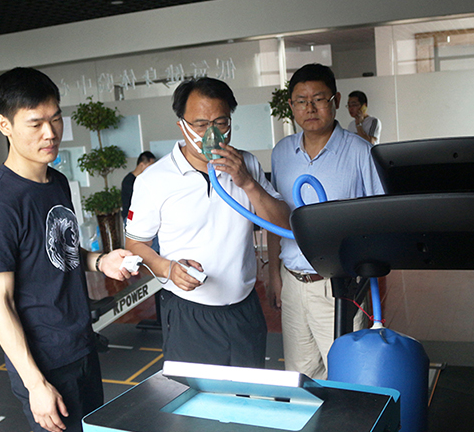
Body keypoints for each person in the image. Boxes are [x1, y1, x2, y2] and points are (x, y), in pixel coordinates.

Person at [0, 67, 136, 432]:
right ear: (5, 125)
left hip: (80, 345)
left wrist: (100, 261)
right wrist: (35, 383)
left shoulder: (57, 181)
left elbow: (59, 251)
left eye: (56, 118)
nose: (51, 132)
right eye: (35, 123)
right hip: (44, 363)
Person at [124, 77, 289, 367]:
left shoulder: (246, 164)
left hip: (244, 309)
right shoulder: (154, 180)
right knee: (197, 395)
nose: (212, 134)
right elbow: (135, 245)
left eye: (221, 122)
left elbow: (283, 223)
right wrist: (168, 269)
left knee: (248, 391)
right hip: (188, 313)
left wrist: (247, 182)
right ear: (182, 125)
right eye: (201, 125)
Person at [267, 64, 384, 380]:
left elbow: (380, 217)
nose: (310, 108)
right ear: (291, 106)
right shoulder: (282, 153)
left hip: (338, 285)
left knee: (347, 376)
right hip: (293, 282)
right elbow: (275, 216)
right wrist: (274, 275)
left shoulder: (360, 152)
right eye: (301, 101)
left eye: (319, 99)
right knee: (301, 377)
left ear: (336, 100)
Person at [120, 150, 156, 226]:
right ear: (142, 165)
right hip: (131, 217)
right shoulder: (129, 181)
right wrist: (130, 220)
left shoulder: (143, 179)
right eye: (150, 166)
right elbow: (132, 204)